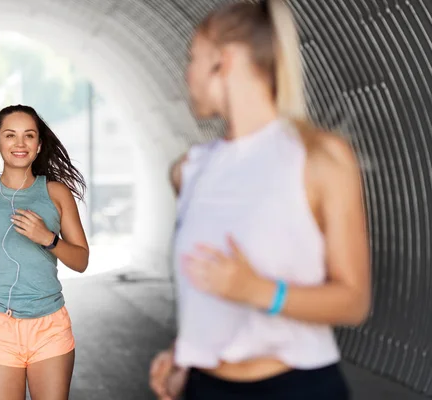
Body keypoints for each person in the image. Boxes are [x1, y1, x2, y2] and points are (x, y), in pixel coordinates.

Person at [150, 0, 370, 399]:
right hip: (205, 388)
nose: (187, 75)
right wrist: (185, 355)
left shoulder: (319, 157)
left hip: (298, 388)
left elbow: (353, 301)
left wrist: (259, 291)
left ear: (225, 61)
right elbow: (206, 296)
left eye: (192, 58)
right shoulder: (192, 170)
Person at [0, 104, 89, 400]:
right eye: (10, 136)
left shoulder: (57, 193)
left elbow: (81, 260)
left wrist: (48, 238)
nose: (19, 144)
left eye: (29, 136)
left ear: (38, 145)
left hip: (50, 326)